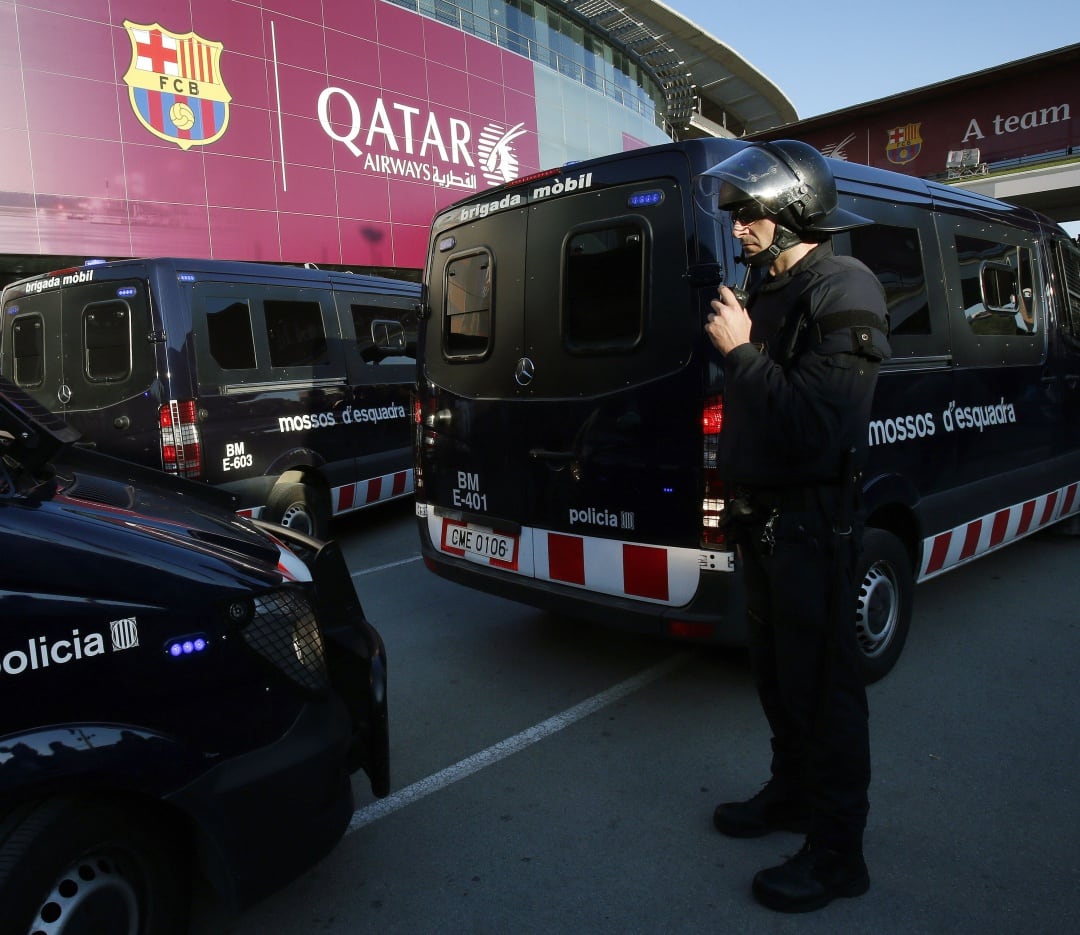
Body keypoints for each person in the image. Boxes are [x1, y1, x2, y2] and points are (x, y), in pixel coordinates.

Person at [698, 140, 891, 913]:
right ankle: (791, 795)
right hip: (762, 517)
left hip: (812, 522)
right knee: (777, 677)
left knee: (825, 689)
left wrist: (740, 352)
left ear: (797, 211)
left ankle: (840, 852)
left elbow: (818, 424)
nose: (737, 227)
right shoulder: (761, 285)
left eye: (750, 214)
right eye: (736, 213)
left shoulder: (845, 286)